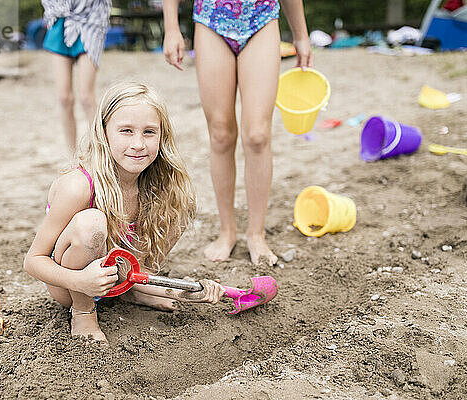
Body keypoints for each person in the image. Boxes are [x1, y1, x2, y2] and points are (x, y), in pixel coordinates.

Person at [24, 82, 225, 345]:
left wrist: (183, 291)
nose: (138, 144)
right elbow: (33, 261)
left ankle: (136, 290)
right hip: (72, 285)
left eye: (149, 132)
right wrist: (81, 281)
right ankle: (84, 312)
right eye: (126, 131)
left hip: (118, 277)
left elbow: (139, 259)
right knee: (91, 223)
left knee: (179, 199)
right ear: (104, 132)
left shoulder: (157, 184)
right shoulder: (79, 185)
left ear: (162, 136)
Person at [162, 0, 313, 265]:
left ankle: (256, 234)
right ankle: (227, 231)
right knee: (220, 134)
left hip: (261, 18)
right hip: (211, 19)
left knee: (257, 135)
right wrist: (172, 27)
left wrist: (300, 34)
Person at [41, 0, 112, 152]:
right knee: (64, 98)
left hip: (91, 21)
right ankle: (72, 157)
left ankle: (100, 152)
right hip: (58, 19)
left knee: (86, 97)